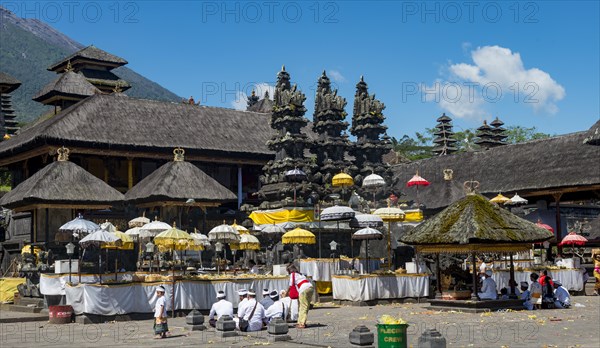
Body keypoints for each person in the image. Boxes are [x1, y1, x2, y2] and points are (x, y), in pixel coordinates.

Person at [287, 263, 314, 328]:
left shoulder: (292, 275)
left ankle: (301, 323)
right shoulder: (300, 274)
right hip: (310, 287)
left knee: (303, 306)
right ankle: (300, 321)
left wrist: (286, 293)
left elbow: (290, 286)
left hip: (303, 289)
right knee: (305, 306)